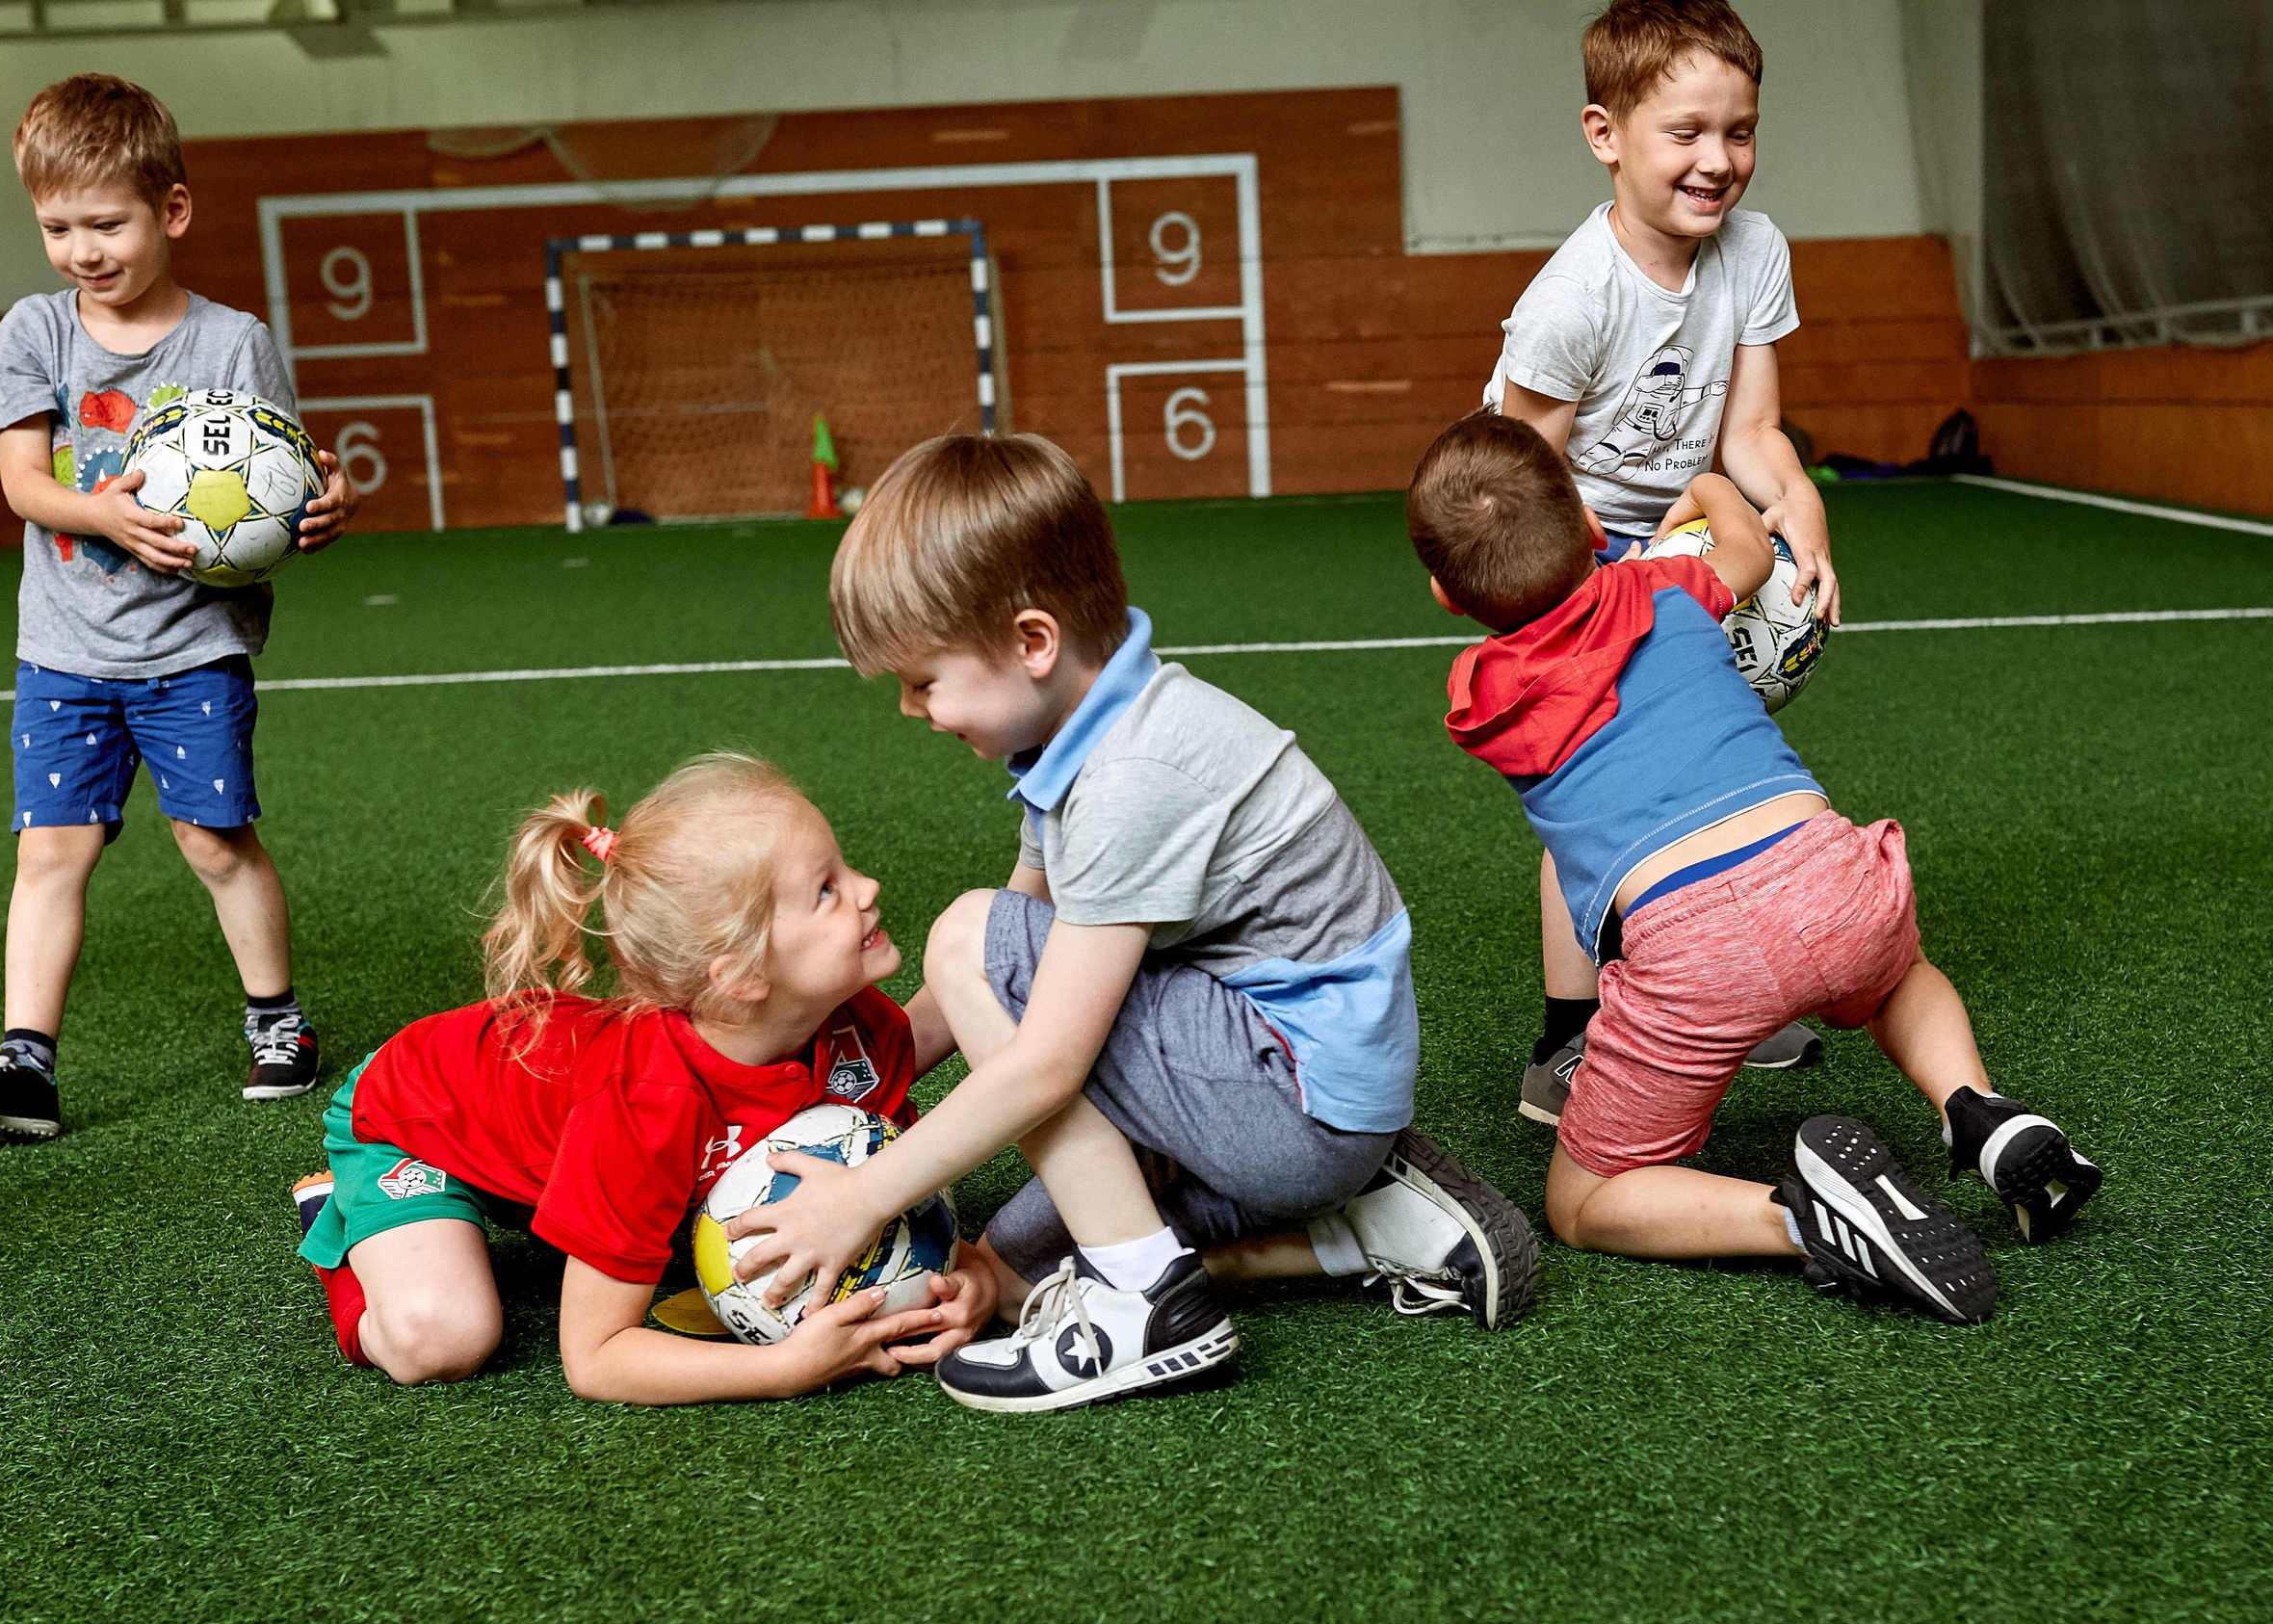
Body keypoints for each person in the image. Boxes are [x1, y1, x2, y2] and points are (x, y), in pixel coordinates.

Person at [726, 432, 1538, 1416]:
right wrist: (870, 1087)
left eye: (922, 680)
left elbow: (1037, 1047)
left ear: (1032, 643)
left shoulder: (1133, 779)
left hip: (1291, 1096)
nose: (909, 708)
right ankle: (1361, 1223)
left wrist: (864, 1193)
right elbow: (1025, 949)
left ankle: (1152, 1305)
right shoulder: (1088, 728)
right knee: (1009, 1266)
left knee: (964, 934)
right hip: (1279, 1077)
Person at [1407, 411, 2103, 1322]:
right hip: (1829, 879)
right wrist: (1706, 489)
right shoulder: (1666, 590)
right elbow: (1748, 549)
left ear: (1444, 596)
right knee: (1897, 976)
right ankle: (1976, 1105)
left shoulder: (1481, 696)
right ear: (1586, 526)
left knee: (1580, 1201)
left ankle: (1801, 1219)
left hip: (1689, 954)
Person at [0, 74, 357, 1140]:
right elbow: (22, 483)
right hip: (63, 649)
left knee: (215, 841)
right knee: (49, 852)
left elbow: (284, 475)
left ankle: (277, 1021)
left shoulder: (232, 342)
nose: (82, 249)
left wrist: (324, 505)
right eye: (57, 227)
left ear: (173, 211)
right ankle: (26, 1064)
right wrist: (101, 514)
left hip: (192, 646)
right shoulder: (32, 333)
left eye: (106, 222)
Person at [289, 754, 997, 1402]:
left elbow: (883, 1190)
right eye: (826, 890)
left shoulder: (858, 1027)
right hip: (413, 1119)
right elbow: (595, 1357)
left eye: (845, 870)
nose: (868, 888)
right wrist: (782, 1369)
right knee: (441, 1339)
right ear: (744, 976)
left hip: (547, 1133)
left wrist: (968, 1277)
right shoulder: (645, 1104)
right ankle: (338, 1222)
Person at [1487, 0, 1840, 1121]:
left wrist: (1798, 511)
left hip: (1681, 534)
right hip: (1557, 552)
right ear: (1606, 134)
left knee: (1702, 772)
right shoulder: (1569, 297)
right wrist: (1606, 591)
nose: (1716, 160)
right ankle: (1570, 1042)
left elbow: (1749, 431)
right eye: (1684, 133)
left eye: (1736, 132)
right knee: (1602, 789)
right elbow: (1516, 485)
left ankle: (1708, 986)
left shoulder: (1756, 250)